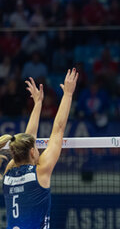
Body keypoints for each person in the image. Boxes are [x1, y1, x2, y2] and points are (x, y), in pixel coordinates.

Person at [2, 68, 78, 228]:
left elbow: (28, 138)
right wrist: (68, 95)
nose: (38, 148)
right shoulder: (40, 171)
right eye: (35, 147)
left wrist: (37, 104)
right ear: (31, 151)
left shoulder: (8, 172)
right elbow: (58, 128)